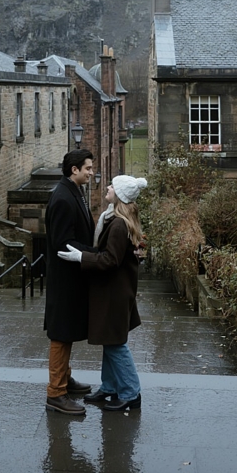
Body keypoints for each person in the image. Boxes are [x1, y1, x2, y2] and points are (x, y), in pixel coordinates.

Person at [59, 174, 148, 411]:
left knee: (116, 344)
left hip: (115, 294)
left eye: (112, 186)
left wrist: (82, 257)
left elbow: (111, 260)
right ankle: (109, 386)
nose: (108, 187)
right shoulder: (114, 218)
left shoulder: (118, 224)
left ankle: (131, 393)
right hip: (113, 292)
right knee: (111, 342)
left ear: (119, 195)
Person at [43, 148, 96, 414]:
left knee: (66, 331)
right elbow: (62, 243)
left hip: (72, 278)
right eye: (87, 167)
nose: (91, 171)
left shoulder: (73, 191)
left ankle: (65, 379)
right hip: (64, 280)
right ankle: (56, 393)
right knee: (60, 335)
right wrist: (93, 254)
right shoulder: (63, 198)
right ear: (74, 169)